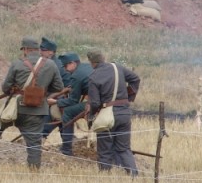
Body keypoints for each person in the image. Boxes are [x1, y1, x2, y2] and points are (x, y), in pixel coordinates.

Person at [0, 37, 64, 171]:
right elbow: (58, 87)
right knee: (34, 144)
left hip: (16, 109)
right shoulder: (51, 65)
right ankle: (33, 173)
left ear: (26, 50)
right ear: (38, 50)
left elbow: (6, 88)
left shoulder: (17, 64)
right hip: (37, 110)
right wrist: (41, 93)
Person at [86, 48, 140, 176]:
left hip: (107, 116)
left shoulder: (94, 76)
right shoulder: (118, 68)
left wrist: (91, 116)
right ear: (103, 58)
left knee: (105, 151)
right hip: (125, 113)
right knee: (124, 149)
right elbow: (135, 79)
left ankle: (105, 178)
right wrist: (128, 97)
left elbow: (94, 103)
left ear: (92, 62)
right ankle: (134, 176)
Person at [53, 52, 91, 156]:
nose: (65, 69)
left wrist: (57, 101)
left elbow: (73, 101)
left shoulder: (76, 75)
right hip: (103, 99)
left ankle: (66, 150)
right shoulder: (87, 67)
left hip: (95, 103)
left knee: (68, 112)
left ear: (73, 63)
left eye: (66, 66)